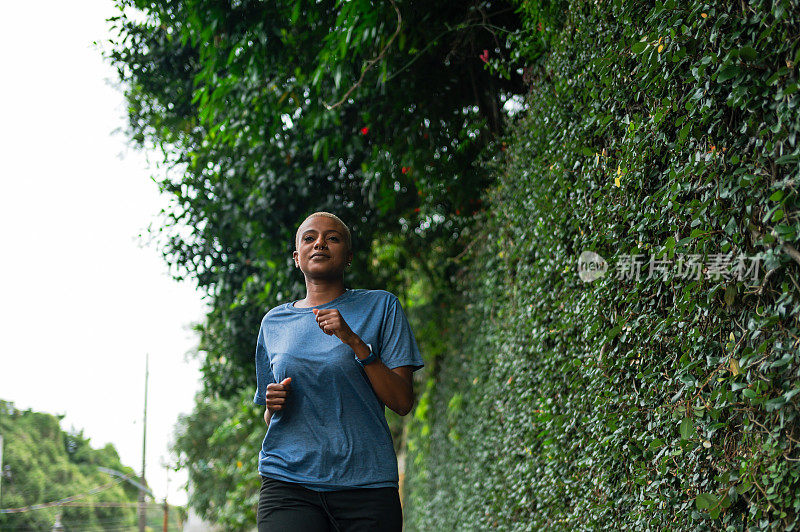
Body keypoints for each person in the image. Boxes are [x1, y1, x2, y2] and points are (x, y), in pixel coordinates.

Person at [253, 211, 425, 531]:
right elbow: (270, 415)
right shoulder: (273, 323)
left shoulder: (382, 307)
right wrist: (271, 404)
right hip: (288, 482)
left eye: (332, 238)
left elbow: (402, 402)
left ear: (348, 257)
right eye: (309, 238)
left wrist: (354, 341)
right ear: (297, 257)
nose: (320, 242)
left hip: (367, 485)